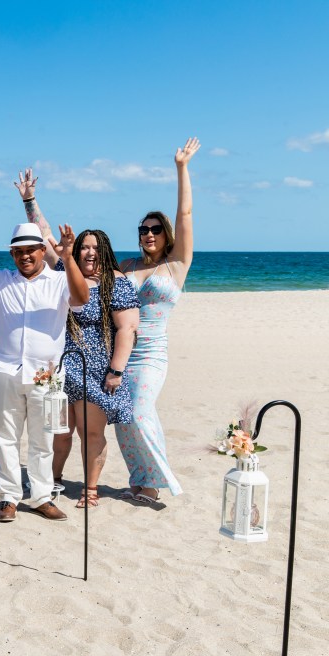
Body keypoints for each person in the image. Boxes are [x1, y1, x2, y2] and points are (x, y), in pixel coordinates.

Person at [13, 175, 141, 508]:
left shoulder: (117, 283)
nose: (88, 253)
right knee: (58, 432)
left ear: (105, 253)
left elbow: (127, 329)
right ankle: (51, 482)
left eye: (95, 248)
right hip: (57, 368)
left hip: (96, 369)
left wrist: (116, 371)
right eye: (84, 246)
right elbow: (45, 236)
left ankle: (92, 489)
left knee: (91, 432)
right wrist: (30, 201)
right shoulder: (63, 274)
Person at [0, 219, 89, 523]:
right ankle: (9, 496)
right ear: (12, 255)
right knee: (6, 437)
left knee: (44, 438)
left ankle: (41, 496)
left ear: (42, 250)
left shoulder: (59, 280)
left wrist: (67, 257)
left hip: (50, 377)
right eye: (18, 251)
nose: (25, 256)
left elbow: (82, 298)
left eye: (31, 250)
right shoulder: (1, 280)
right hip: (5, 371)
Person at [113, 137, 200, 503]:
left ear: (166, 235)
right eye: (143, 230)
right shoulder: (127, 267)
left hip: (151, 355)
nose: (148, 234)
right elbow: (89, 277)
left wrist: (181, 168)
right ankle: (141, 478)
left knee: (139, 410)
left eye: (154, 229)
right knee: (123, 417)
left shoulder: (177, 265)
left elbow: (186, 216)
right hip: (121, 351)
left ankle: (156, 482)